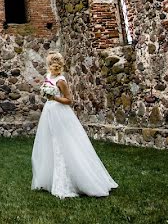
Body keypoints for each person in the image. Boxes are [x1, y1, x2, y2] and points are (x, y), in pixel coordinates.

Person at [31, 52, 117, 198]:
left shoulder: (61, 80)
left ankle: (74, 180)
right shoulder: (48, 76)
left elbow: (69, 100)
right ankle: (51, 179)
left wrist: (54, 97)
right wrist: (46, 95)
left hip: (60, 113)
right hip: (49, 112)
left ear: (53, 63)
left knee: (65, 143)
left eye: (49, 62)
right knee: (50, 143)